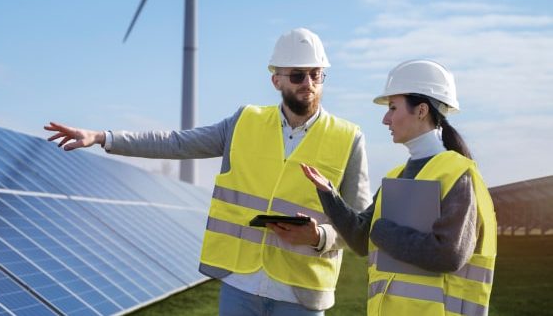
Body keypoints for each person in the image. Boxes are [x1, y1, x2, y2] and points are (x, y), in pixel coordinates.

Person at [44, 27, 372, 316]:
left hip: (302, 296)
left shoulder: (347, 137)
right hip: (240, 286)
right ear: (276, 80)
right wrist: (103, 137)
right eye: (298, 75)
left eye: (316, 74)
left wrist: (319, 237)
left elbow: (359, 226)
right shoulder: (245, 121)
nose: (309, 84)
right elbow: (176, 143)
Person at [302, 59, 496, 316]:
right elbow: (362, 239)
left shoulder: (457, 174)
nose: (385, 119)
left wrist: (382, 231)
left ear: (421, 110)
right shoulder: (398, 176)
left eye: (393, 107)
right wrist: (329, 194)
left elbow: (448, 254)